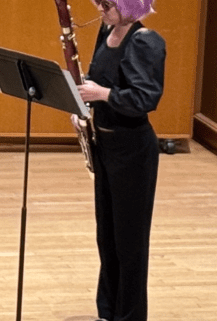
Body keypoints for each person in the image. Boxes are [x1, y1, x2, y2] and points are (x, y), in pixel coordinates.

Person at [77, 0, 165, 320]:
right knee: (108, 238)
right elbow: (93, 77)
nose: (100, 8)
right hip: (106, 146)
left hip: (133, 152)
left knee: (130, 244)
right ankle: (107, 312)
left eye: (108, 3)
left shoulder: (146, 41)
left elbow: (144, 98)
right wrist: (82, 106)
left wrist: (101, 95)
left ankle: (129, 317)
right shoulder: (107, 31)